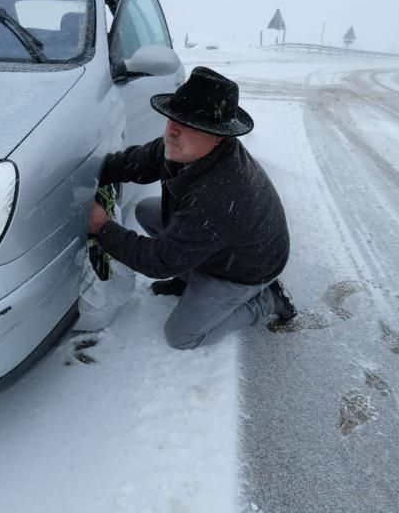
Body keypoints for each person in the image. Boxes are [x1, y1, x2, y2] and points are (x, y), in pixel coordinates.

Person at [87, 66, 296, 350]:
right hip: (223, 242)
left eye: (189, 124)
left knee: (181, 336)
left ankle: (267, 299)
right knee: (147, 210)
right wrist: (93, 175)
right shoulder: (186, 147)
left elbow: (159, 262)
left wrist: (101, 227)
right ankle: (188, 277)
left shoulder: (220, 194)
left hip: (248, 267)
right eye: (173, 118)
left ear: (218, 136)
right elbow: (136, 163)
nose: (172, 129)